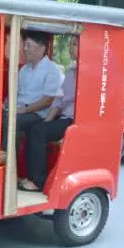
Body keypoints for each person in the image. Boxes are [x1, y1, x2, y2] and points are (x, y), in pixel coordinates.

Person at [0, 31, 64, 188]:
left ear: (42, 48)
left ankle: (8, 174)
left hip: (38, 114)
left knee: (11, 122)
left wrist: (24, 110)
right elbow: (14, 94)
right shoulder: (24, 70)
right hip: (20, 110)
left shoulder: (52, 70)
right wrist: (5, 105)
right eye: (25, 45)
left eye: (29, 45)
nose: (25, 49)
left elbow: (48, 101)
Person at [19, 37, 78, 191]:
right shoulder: (71, 71)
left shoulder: (86, 73)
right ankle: (30, 176)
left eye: (75, 44)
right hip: (65, 117)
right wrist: (48, 120)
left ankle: (38, 181)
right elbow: (59, 98)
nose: (70, 48)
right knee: (37, 128)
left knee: (38, 131)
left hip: (76, 120)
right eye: (71, 44)